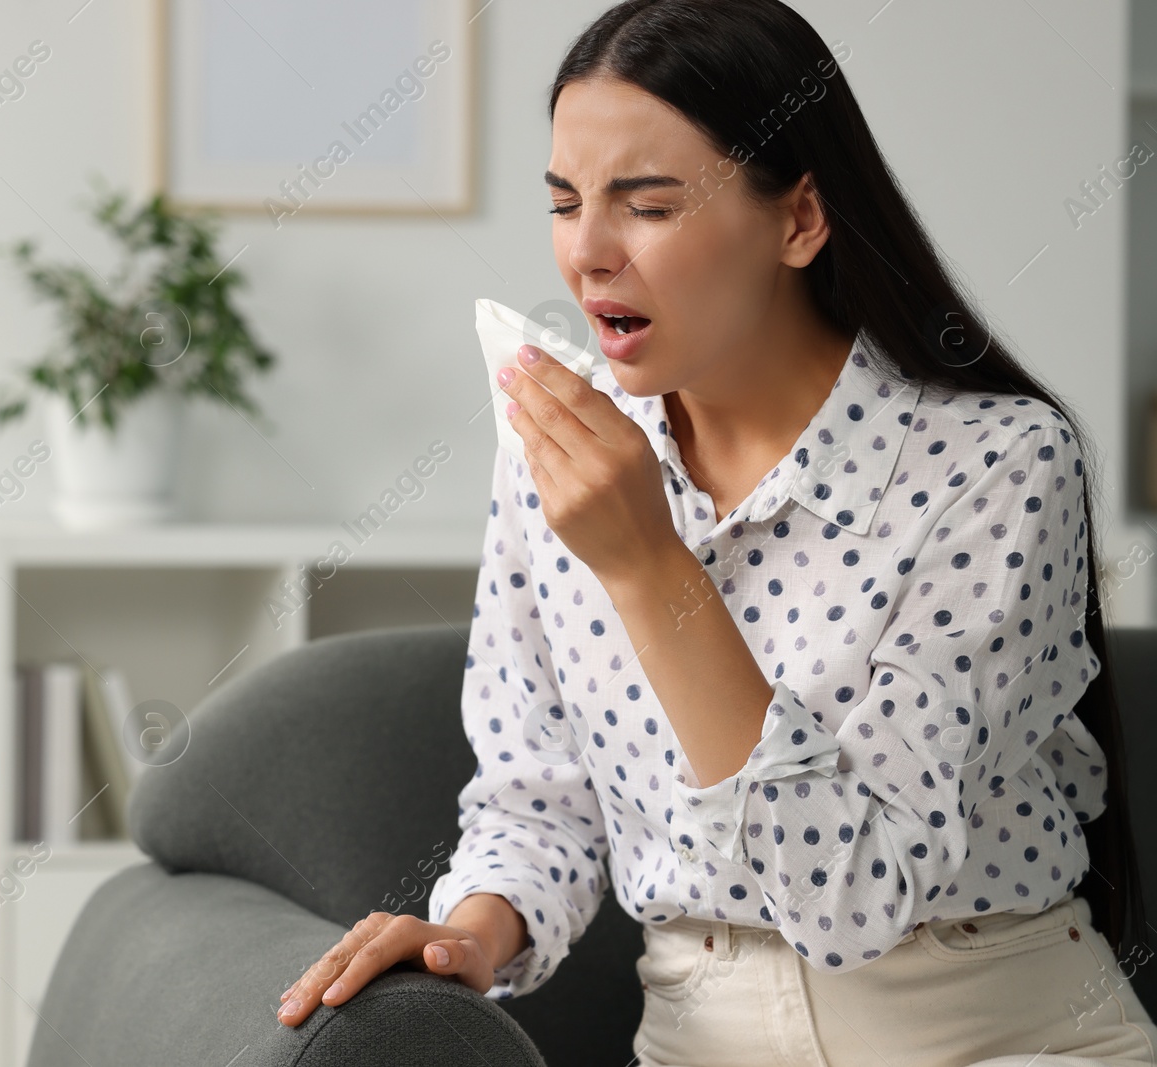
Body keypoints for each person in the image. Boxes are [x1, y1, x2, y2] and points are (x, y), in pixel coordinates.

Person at [277, 1, 1156, 1062]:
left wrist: (649, 566)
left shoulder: (998, 467)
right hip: (699, 1033)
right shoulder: (559, 454)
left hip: (993, 1030)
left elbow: (853, 895)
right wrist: (467, 935)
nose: (587, 254)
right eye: (564, 202)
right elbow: (538, 798)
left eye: (644, 205)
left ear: (798, 219)